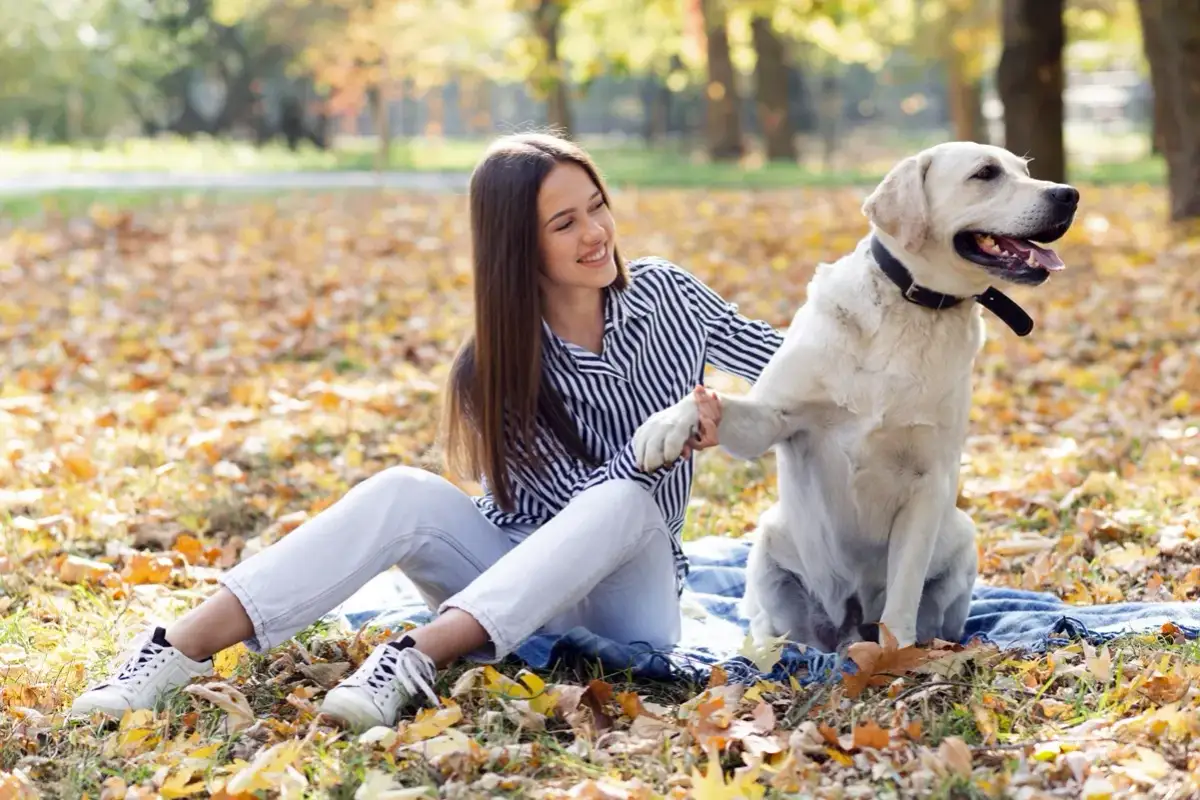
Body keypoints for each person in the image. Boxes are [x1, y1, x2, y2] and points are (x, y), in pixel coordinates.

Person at [70, 132, 785, 731]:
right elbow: (554, 518)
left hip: (630, 601)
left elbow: (788, 364)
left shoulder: (668, 296)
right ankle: (173, 650)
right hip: (504, 578)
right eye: (565, 223)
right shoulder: (495, 365)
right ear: (518, 246)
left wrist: (758, 401)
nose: (596, 233)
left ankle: (415, 656)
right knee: (402, 490)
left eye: (597, 207)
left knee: (628, 504)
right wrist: (646, 449)